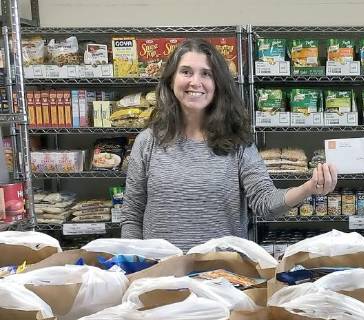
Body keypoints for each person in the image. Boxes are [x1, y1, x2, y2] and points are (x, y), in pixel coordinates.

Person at [122, 38, 337, 251]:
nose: (195, 82)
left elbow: (265, 203)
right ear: (171, 80)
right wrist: (134, 263)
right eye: (186, 72)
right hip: (162, 276)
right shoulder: (148, 142)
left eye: (206, 73)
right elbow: (132, 214)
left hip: (223, 276)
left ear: (218, 84)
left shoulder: (237, 143)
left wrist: (308, 187)